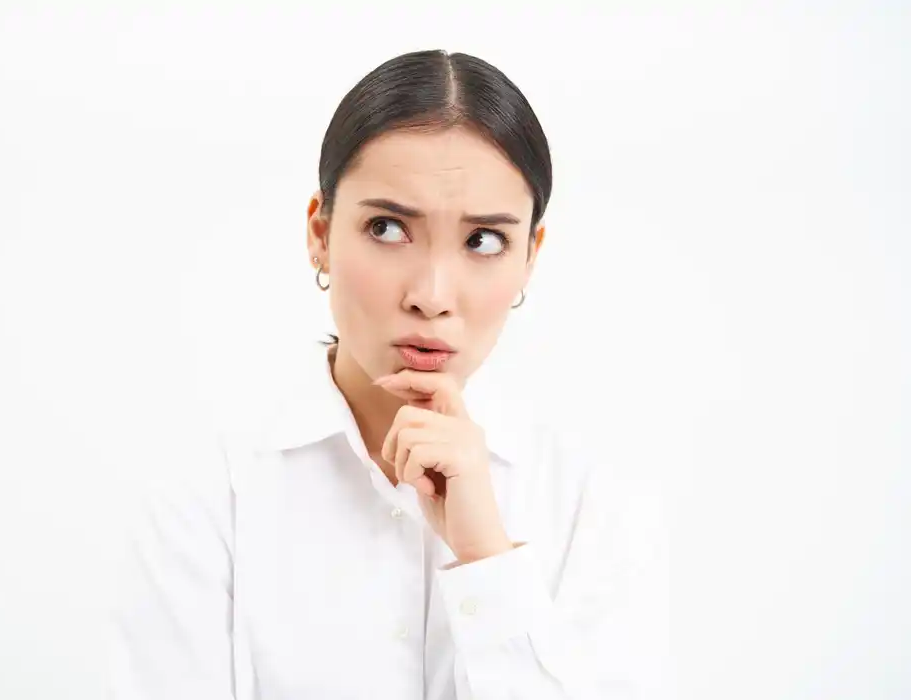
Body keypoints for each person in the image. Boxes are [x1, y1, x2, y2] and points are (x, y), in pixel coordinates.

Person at [105, 49, 667, 699]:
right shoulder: (209, 499)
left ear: (529, 258)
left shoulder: (594, 506)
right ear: (319, 232)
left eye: (484, 241)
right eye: (388, 227)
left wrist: (486, 554)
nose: (432, 294)